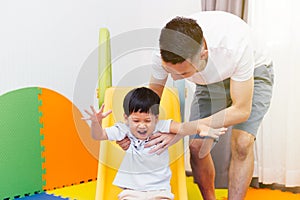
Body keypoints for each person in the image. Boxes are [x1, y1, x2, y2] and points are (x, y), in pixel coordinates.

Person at [143, 11, 274, 200]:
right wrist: (136, 132)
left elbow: (241, 111)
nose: (174, 78)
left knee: (242, 143)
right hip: (210, 82)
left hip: (254, 72)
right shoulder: (163, 53)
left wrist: (182, 129)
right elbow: (151, 102)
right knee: (197, 146)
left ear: (203, 54)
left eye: (184, 73)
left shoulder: (234, 44)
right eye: (169, 71)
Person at [83, 87, 227, 200]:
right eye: (136, 121)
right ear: (126, 118)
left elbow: (182, 127)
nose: (142, 126)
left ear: (156, 118)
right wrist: (96, 123)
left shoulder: (161, 126)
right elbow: (99, 135)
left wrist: (202, 127)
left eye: (147, 121)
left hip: (160, 190)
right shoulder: (123, 129)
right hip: (132, 190)